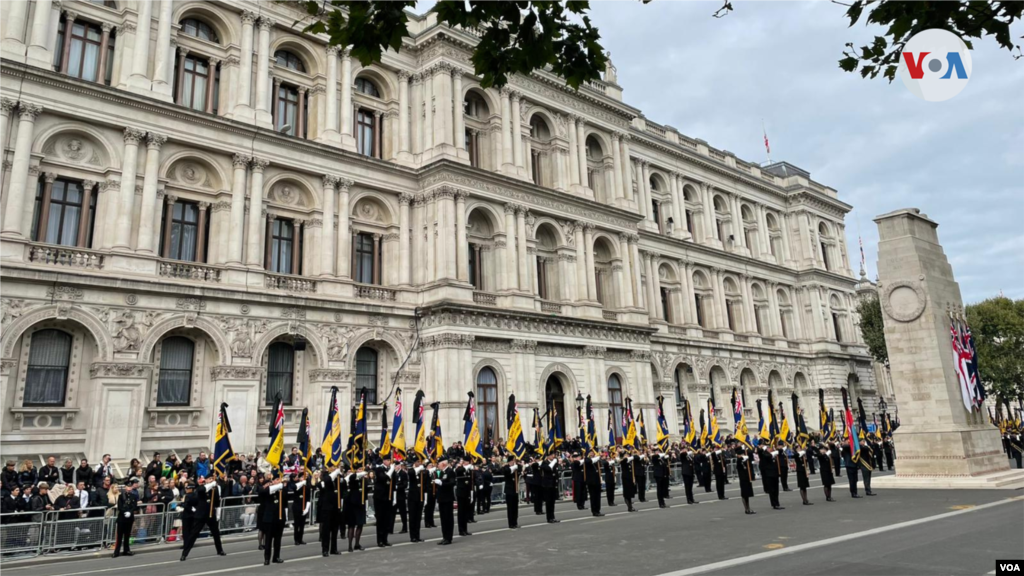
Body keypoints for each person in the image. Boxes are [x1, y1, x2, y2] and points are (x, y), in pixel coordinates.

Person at [258, 474, 286, 565]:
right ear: (273, 481)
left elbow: (285, 501)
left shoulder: (281, 490)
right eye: (277, 479)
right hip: (269, 519)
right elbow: (262, 492)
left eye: (279, 479)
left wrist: (281, 487)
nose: (279, 481)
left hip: (279, 519)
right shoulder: (267, 489)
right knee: (268, 540)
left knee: (278, 540)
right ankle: (267, 558)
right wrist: (277, 486)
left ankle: (276, 557)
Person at [316, 467, 342, 556]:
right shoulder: (325, 478)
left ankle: (333, 549)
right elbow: (325, 481)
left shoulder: (337, 478)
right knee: (326, 530)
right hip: (326, 508)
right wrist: (335, 472)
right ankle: (325, 549)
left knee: (335, 530)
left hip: (335, 507)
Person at [112, 478, 139, 558]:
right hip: (122, 519)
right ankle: (116, 552)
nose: (129, 488)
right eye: (128, 487)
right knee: (119, 536)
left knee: (127, 535)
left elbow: (135, 506)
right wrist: (125, 512)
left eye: (130, 487)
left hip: (129, 518)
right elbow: (120, 507)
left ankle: (126, 550)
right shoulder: (121, 496)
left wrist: (130, 512)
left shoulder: (133, 496)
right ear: (125, 487)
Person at [343, 466, 367, 552]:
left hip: (361, 504)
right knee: (351, 525)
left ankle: (357, 543)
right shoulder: (352, 477)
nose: (360, 471)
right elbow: (354, 477)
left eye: (361, 469)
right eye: (359, 469)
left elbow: (366, 492)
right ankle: (350, 545)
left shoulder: (363, 479)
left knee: (360, 524)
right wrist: (362, 473)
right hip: (352, 504)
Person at [372, 456, 395, 547]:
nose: (389, 462)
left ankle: (385, 539)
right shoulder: (379, 469)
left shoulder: (391, 470)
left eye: (389, 460)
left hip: (388, 498)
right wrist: (391, 470)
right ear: (384, 461)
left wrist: (394, 497)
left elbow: (393, 484)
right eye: (387, 460)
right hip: (379, 498)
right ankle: (380, 540)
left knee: (387, 520)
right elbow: (383, 478)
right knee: (380, 520)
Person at [434, 458, 456, 545]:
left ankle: (448, 538)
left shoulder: (450, 471)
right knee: (443, 519)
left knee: (448, 518)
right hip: (442, 498)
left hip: (448, 498)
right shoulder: (442, 472)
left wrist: (442, 483)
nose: (438, 465)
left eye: (438, 464)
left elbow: (452, 483)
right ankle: (444, 537)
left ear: (443, 464)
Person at [286, 472, 309, 545]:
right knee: (297, 524)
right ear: (299, 478)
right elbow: (294, 488)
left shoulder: (306, 486)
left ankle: (300, 538)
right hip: (297, 506)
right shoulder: (296, 484)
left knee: (302, 524)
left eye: (304, 477)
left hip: (303, 507)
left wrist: (307, 508)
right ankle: (296, 539)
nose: (303, 478)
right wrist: (302, 483)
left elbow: (308, 497)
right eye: (302, 477)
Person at [407, 458, 427, 542]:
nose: (419, 463)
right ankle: (413, 537)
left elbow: (425, 484)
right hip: (412, 498)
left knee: (418, 518)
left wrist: (425, 498)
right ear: (415, 463)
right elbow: (411, 473)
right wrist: (419, 468)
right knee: (412, 518)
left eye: (420, 462)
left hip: (420, 497)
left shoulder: (422, 472)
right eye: (418, 462)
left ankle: (417, 535)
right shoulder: (411, 470)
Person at [758, 444, 783, 510]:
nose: (770, 449)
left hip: (775, 474)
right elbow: (763, 453)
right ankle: (774, 504)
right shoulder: (764, 454)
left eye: (770, 448)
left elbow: (780, 451)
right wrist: (763, 447)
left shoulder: (773, 453)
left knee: (776, 490)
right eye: (769, 448)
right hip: (769, 475)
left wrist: (777, 447)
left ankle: (777, 503)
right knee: (772, 490)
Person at [455, 458, 474, 536]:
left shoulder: (469, 469)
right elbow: (458, 472)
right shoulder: (459, 468)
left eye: (467, 462)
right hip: (461, 492)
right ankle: (461, 530)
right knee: (461, 512)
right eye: (465, 462)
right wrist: (464, 467)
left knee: (465, 512)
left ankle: (465, 529)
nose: (466, 463)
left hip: (467, 492)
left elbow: (470, 480)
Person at [735, 445, 756, 515]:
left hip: (747, 478)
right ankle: (746, 509)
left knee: (747, 495)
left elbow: (750, 453)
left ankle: (748, 508)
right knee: (744, 494)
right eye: (741, 454)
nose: (742, 455)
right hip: (743, 479)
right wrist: (742, 458)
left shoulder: (745, 461)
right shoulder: (738, 461)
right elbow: (740, 461)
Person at [501, 456, 521, 528]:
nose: (514, 462)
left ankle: (515, 522)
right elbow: (507, 471)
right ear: (510, 461)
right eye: (513, 460)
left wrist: (517, 467)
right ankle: (511, 524)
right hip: (509, 490)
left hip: (515, 489)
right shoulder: (506, 467)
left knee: (515, 508)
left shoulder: (516, 467)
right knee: (510, 508)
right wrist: (514, 467)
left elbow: (520, 470)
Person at [540, 453, 561, 523]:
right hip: (547, 485)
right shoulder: (544, 463)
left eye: (553, 455)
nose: (553, 456)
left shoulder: (554, 463)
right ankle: (549, 518)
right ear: (548, 456)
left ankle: (553, 517)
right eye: (552, 455)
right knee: (548, 502)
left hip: (553, 485)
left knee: (552, 502)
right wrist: (554, 462)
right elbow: (548, 469)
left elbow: (555, 473)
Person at [584, 451, 603, 517]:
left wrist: (599, 458)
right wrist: (596, 458)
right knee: (593, 497)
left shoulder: (596, 460)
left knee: (598, 497)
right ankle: (594, 511)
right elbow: (588, 462)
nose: (592, 454)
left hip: (597, 481)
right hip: (591, 482)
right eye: (590, 453)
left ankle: (598, 510)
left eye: (593, 453)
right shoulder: (586, 459)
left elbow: (601, 465)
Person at [394, 462, 408, 533]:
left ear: (399, 466)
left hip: (401, 496)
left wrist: (397, 487)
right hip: (394, 496)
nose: (394, 467)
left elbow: (405, 484)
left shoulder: (403, 473)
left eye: (396, 465)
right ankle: (390, 529)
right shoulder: (393, 473)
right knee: (392, 513)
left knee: (403, 513)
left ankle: (405, 528)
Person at [423, 461, 437, 528]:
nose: (431, 466)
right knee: (427, 508)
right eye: (429, 465)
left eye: (431, 465)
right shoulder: (425, 472)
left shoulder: (434, 473)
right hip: (427, 492)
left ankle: (431, 522)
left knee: (432, 508)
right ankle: (427, 522)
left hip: (433, 492)